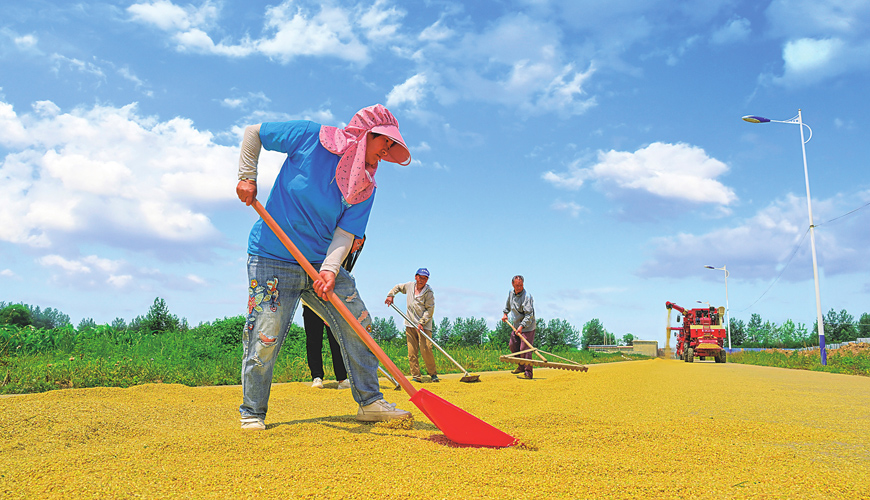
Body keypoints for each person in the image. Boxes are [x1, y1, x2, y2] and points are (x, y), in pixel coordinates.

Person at [236, 104, 413, 430]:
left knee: (359, 324)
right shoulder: (310, 137)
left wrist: (331, 270)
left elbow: (345, 234)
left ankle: (370, 402)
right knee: (266, 333)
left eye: (392, 147)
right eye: (384, 142)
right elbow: (254, 133)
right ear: (365, 134)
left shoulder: (366, 187)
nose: (387, 152)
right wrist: (247, 177)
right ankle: (252, 413)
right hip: (271, 257)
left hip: (320, 263)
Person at [305, 235, 365, 390]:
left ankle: (342, 378)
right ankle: (317, 377)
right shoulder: (327, 252)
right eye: (357, 243)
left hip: (334, 303)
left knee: (338, 338)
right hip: (312, 301)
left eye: (361, 245)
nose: (358, 247)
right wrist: (323, 306)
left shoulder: (345, 260)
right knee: (314, 339)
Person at [385, 268, 438, 383]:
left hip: (423, 325)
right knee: (411, 352)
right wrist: (391, 295)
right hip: (409, 323)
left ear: (427, 280)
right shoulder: (409, 286)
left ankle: (433, 374)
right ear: (416, 277)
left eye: (424, 278)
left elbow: (430, 310)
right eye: (420, 277)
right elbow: (398, 287)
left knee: (426, 349)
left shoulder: (429, 292)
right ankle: (416, 376)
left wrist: (422, 322)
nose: (422, 280)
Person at [501, 275, 535, 379]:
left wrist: (522, 326)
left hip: (527, 326)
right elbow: (508, 304)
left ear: (523, 284)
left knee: (525, 349)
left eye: (521, 285)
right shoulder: (511, 292)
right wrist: (505, 313)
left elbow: (529, 315)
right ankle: (520, 366)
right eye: (517, 285)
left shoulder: (527, 297)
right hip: (516, 326)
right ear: (513, 284)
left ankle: (528, 373)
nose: (519, 287)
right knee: (513, 345)